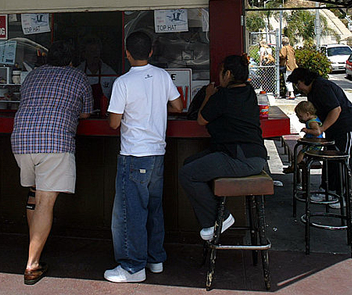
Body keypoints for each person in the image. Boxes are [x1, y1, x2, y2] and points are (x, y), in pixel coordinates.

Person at [11, 40, 92, 285]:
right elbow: (86, 113)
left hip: (22, 140)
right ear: (71, 60)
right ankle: (32, 264)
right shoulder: (78, 77)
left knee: (34, 195)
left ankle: (33, 248)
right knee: (46, 202)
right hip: (54, 142)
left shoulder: (33, 76)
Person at [104, 31, 183, 283]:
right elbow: (178, 106)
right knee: (153, 208)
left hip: (133, 154)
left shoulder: (123, 82)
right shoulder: (162, 76)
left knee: (130, 213)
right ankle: (154, 259)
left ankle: (132, 267)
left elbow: (114, 124)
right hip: (157, 153)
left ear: (126, 53)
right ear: (150, 51)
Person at [179, 54, 268, 241]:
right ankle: (213, 217)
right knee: (190, 163)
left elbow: (201, 119)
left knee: (187, 174)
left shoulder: (223, 96)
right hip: (254, 156)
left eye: (221, 72)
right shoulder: (249, 91)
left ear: (228, 74)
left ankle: (219, 218)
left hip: (239, 158)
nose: (219, 76)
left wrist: (209, 95)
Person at [288, 67, 352, 203]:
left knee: (345, 160)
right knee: (330, 159)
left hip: (348, 126)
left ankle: (345, 197)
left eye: (297, 84)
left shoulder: (321, 87)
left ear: (303, 80)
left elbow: (336, 110)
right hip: (333, 129)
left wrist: (321, 129)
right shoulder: (312, 91)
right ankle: (328, 190)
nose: (298, 88)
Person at [283, 100, 324, 179]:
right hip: (311, 142)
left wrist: (307, 131)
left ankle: (294, 166)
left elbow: (318, 132)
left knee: (302, 152)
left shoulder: (312, 123)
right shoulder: (312, 119)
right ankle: (297, 163)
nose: (299, 119)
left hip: (314, 144)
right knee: (301, 149)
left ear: (308, 114)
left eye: (301, 117)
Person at [77, 36, 116, 111]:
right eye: (91, 51)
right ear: (84, 54)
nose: (95, 54)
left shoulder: (109, 73)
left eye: (97, 51)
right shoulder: (79, 72)